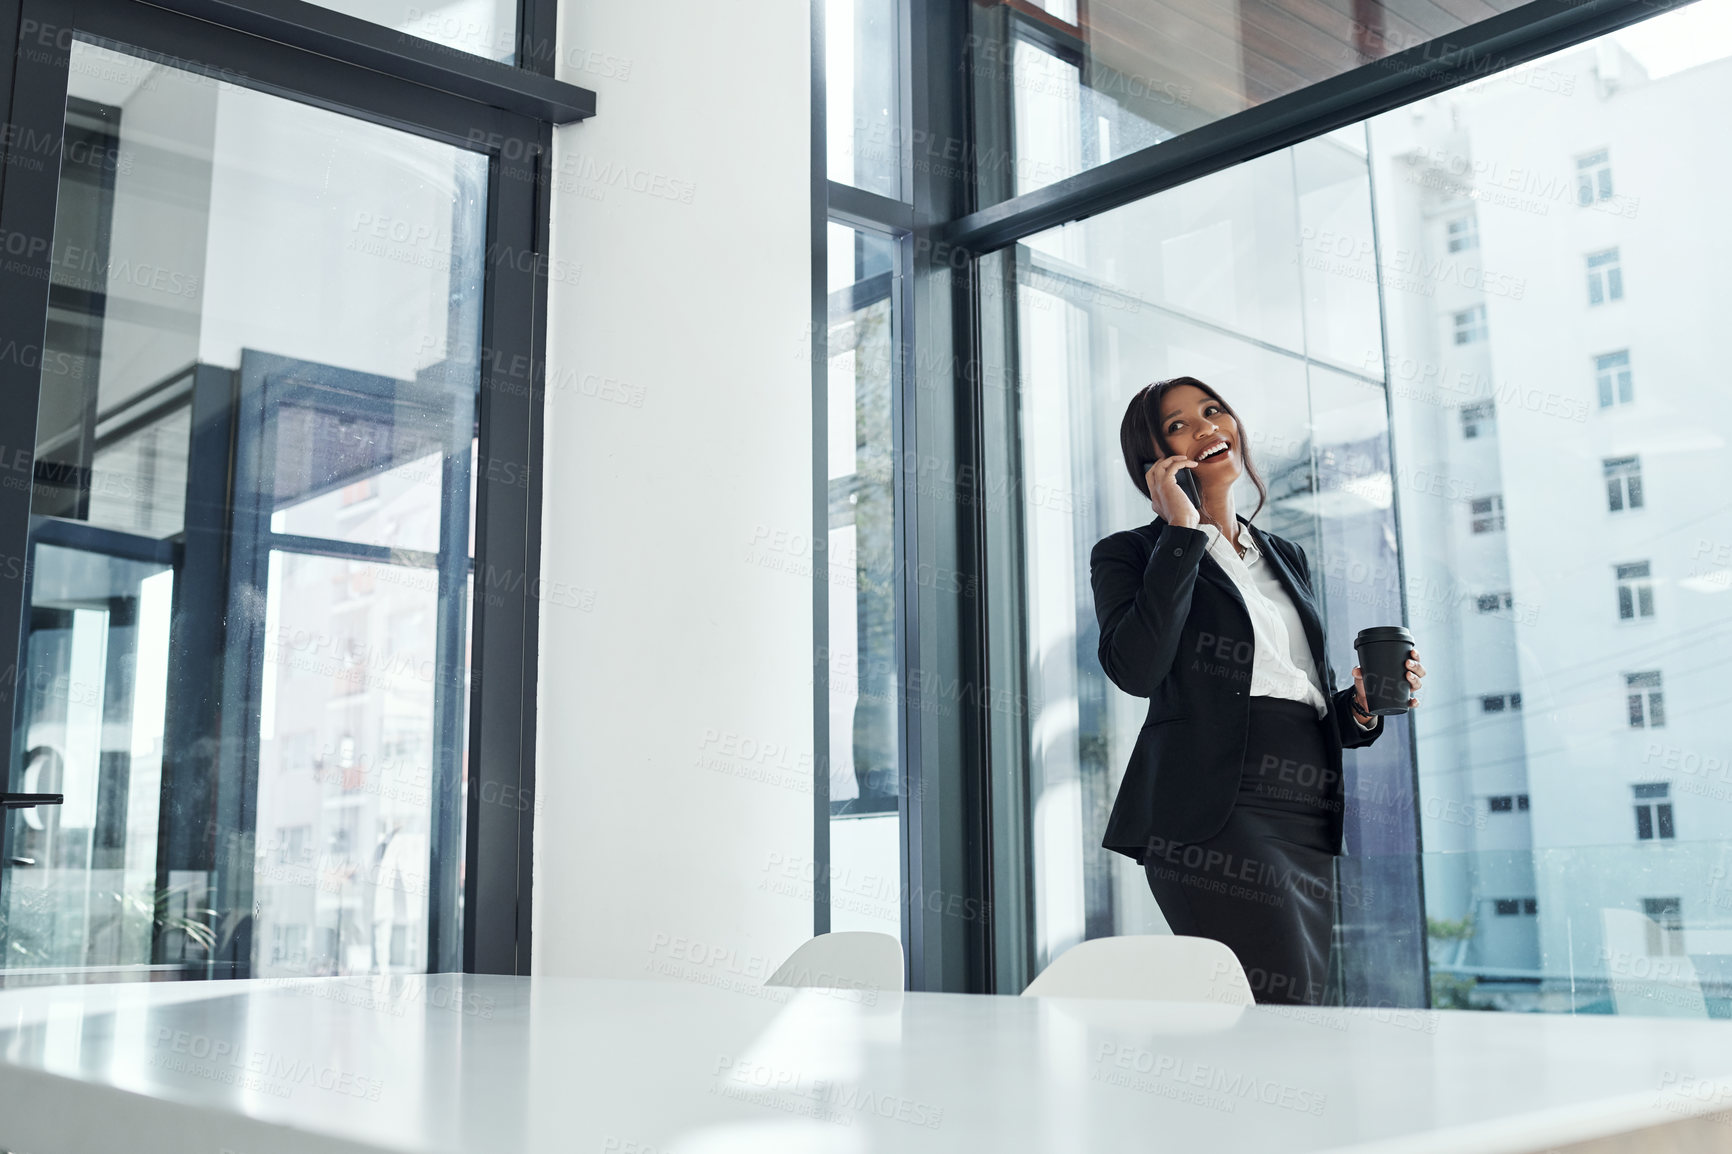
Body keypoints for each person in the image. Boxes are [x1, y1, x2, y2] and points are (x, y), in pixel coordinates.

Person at [1089, 376, 1426, 1006]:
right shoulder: (1131, 553)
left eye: (1213, 411)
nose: (1208, 427)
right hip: (1214, 808)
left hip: (1304, 802)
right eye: (1180, 424)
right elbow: (1135, 669)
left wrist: (1359, 705)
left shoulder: (1285, 554)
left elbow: (1303, 688)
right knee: (1282, 1006)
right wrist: (1182, 533)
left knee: (1295, 1008)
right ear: (1156, 461)